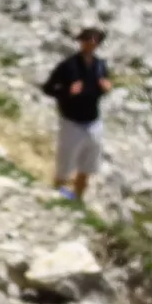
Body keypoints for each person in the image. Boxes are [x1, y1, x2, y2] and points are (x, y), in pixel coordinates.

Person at [41, 27, 112, 202]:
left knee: (89, 163)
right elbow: (48, 88)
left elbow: (101, 88)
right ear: (81, 41)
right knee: (65, 160)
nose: (91, 43)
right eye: (88, 39)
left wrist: (106, 89)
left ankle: (78, 198)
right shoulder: (68, 65)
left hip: (93, 120)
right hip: (71, 121)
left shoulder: (100, 65)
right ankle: (57, 192)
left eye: (95, 40)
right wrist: (67, 92)